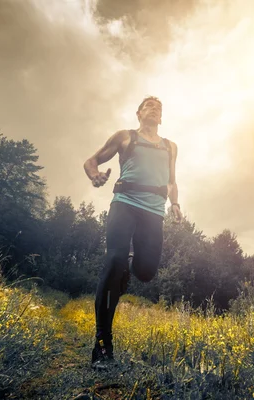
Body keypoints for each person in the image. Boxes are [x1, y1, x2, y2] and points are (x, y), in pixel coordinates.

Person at [83, 96, 183, 369]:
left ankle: (127, 265)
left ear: (161, 118)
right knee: (113, 261)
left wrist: (174, 203)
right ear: (139, 113)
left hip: (154, 211)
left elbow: (172, 181)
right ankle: (102, 345)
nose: (154, 110)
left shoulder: (170, 147)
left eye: (159, 108)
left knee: (146, 272)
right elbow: (91, 160)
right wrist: (95, 176)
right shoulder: (124, 137)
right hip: (125, 203)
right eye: (149, 106)